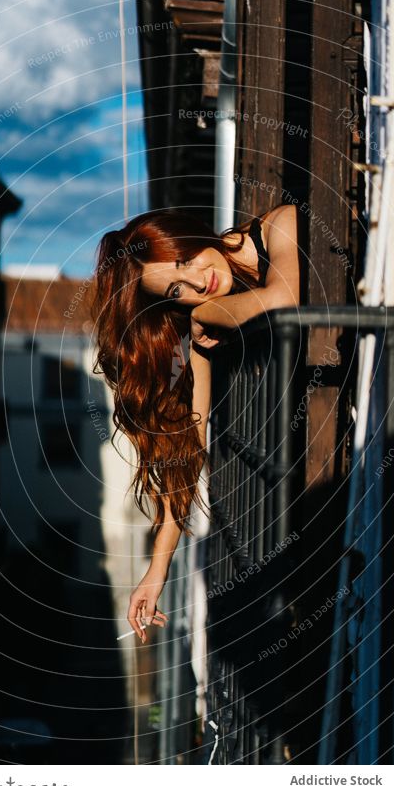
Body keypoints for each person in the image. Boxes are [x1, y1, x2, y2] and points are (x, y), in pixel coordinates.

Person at [89, 203, 300, 642]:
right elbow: (187, 453)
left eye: (184, 261)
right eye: (175, 292)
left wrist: (206, 314)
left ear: (185, 233)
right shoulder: (197, 339)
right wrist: (156, 571)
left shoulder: (280, 225)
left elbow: (284, 300)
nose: (197, 282)